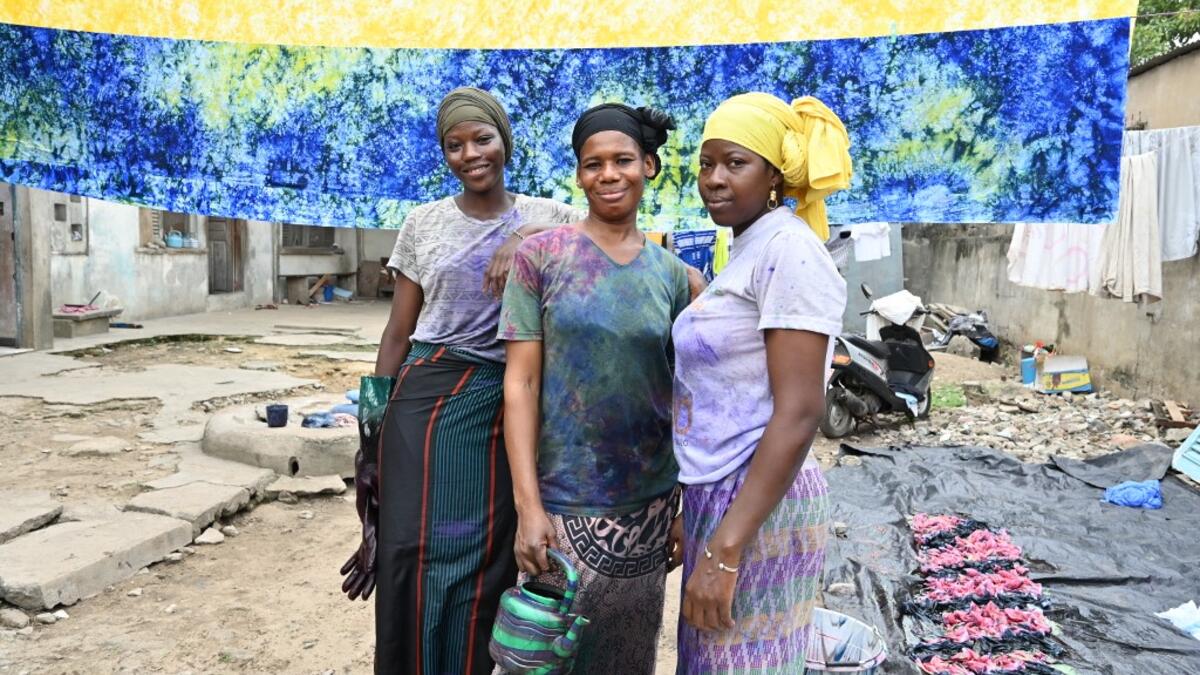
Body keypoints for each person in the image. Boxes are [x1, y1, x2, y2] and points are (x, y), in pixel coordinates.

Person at [339, 86, 581, 675]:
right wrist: (371, 435)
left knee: (486, 557)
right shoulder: (423, 223)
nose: (470, 154)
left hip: (512, 401)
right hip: (428, 400)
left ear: (505, 142)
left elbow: (607, 239)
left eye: (482, 139)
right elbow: (399, 332)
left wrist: (525, 239)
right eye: (455, 145)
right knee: (410, 550)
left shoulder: (553, 217)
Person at [498, 103, 692, 674]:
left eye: (623, 160)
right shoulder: (541, 257)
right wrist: (528, 505)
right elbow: (521, 382)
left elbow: (682, 397)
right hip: (564, 507)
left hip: (649, 508)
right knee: (542, 659)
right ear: (579, 176)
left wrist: (682, 507)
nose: (609, 174)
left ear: (649, 166)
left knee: (627, 661)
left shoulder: (673, 276)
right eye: (593, 164)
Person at [672, 92, 851, 673]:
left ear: (775, 175)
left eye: (735, 163)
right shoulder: (750, 248)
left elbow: (799, 412)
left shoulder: (790, 252)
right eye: (706, 163)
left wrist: (726, 549)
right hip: (724, 496)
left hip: (759, 503)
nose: (714, 179)